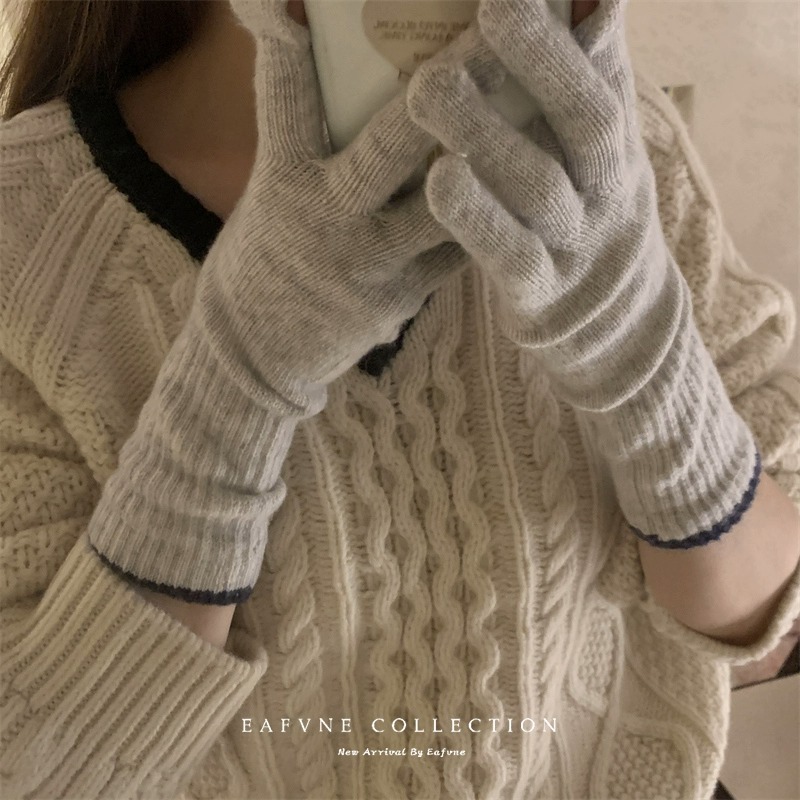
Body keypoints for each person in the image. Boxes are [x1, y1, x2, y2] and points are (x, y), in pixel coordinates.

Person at [1, 0, 798, 797]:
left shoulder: (607, 143)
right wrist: (233, 383)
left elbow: (766, 628)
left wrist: (647, 364)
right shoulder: (24, 225)